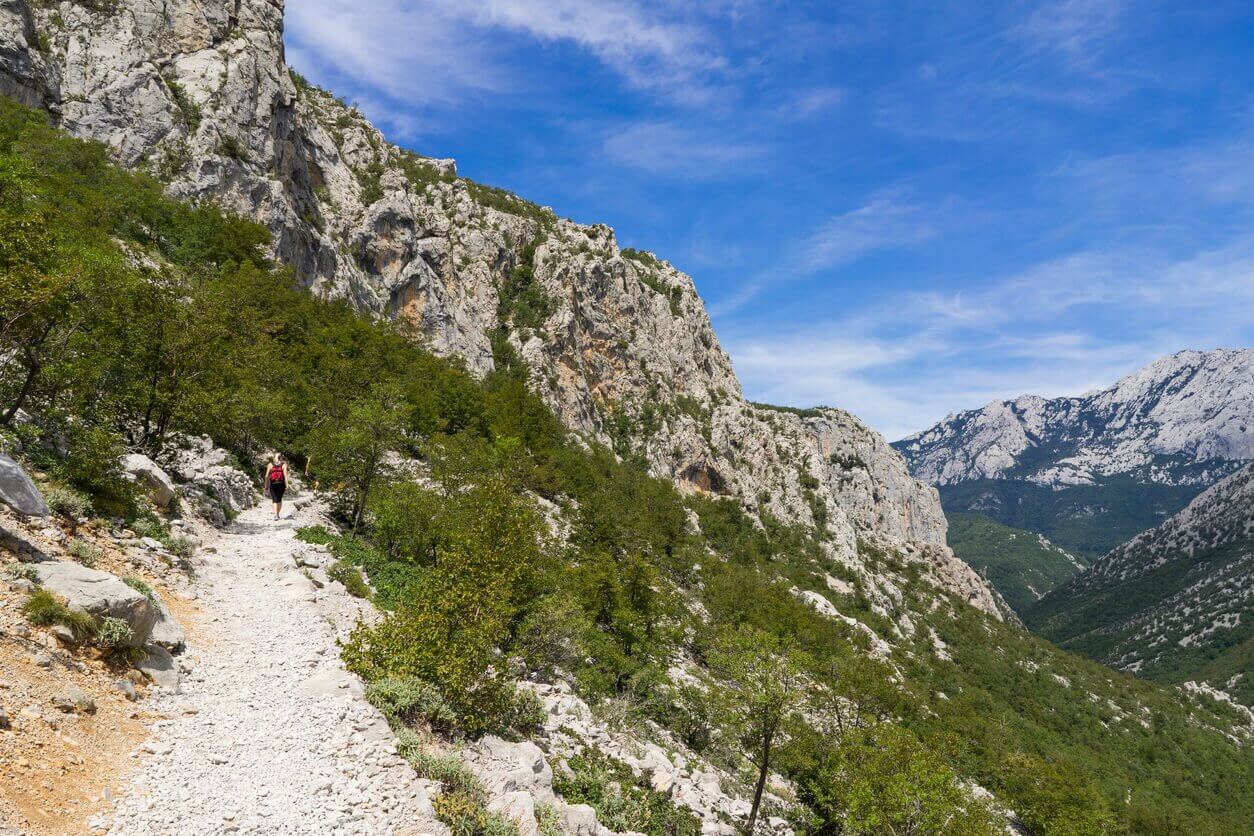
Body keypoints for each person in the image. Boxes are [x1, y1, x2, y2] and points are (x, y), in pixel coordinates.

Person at [265, 454, 288, 520]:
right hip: (281, 484)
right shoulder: (283, 464)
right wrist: (287, 485)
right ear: (280, 458)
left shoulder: (270, 464)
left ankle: (275, 515)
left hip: (273, 484)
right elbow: (285, 475)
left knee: (274, 500)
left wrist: (266, 485)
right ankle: (277, 514)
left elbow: (266, 476)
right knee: (279, 499)